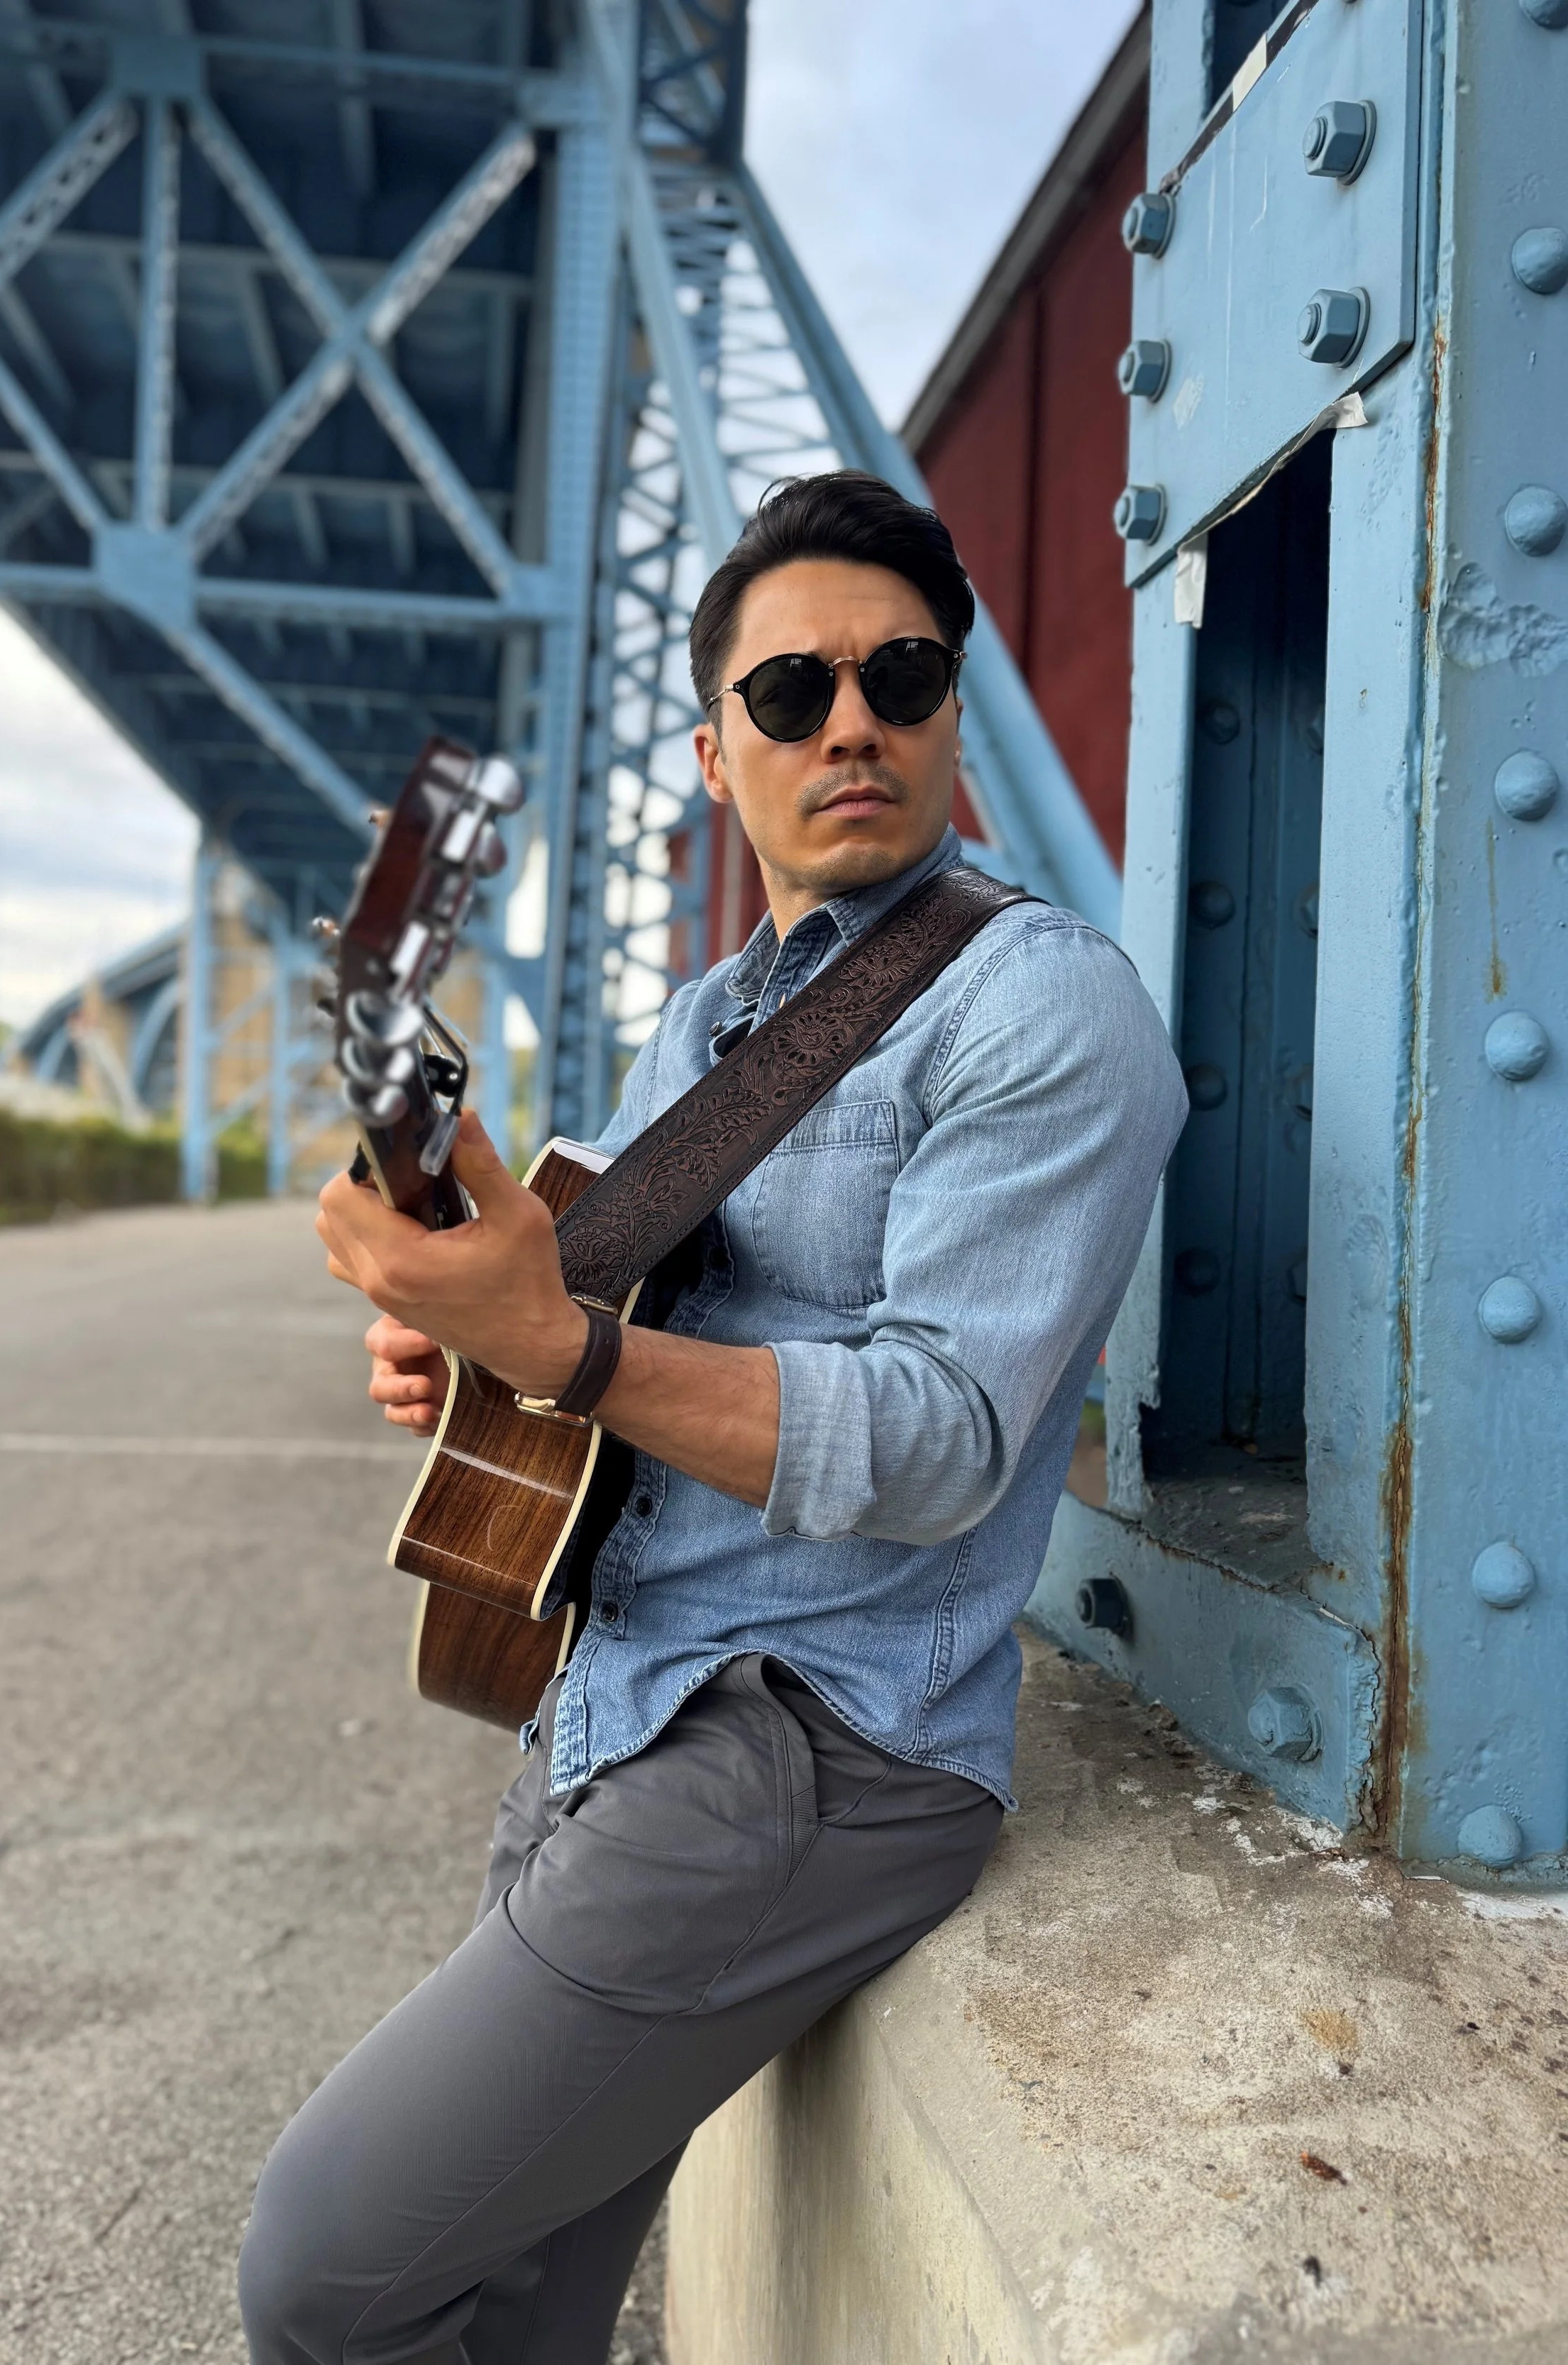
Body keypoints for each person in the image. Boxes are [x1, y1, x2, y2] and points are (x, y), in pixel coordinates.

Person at [239, 470, 1187, 2365]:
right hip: (613, 1693)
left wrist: (564, 1349)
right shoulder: (704, 1026)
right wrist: (474, 1341)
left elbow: (935, 1441)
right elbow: (590, 1299)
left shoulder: (1041, 1007)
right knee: (507, 2295)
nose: (850, 720)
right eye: (789, 692)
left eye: (900, 676)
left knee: (329, 2268)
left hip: (819, 1742)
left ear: (948, 708)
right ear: (712, 750)